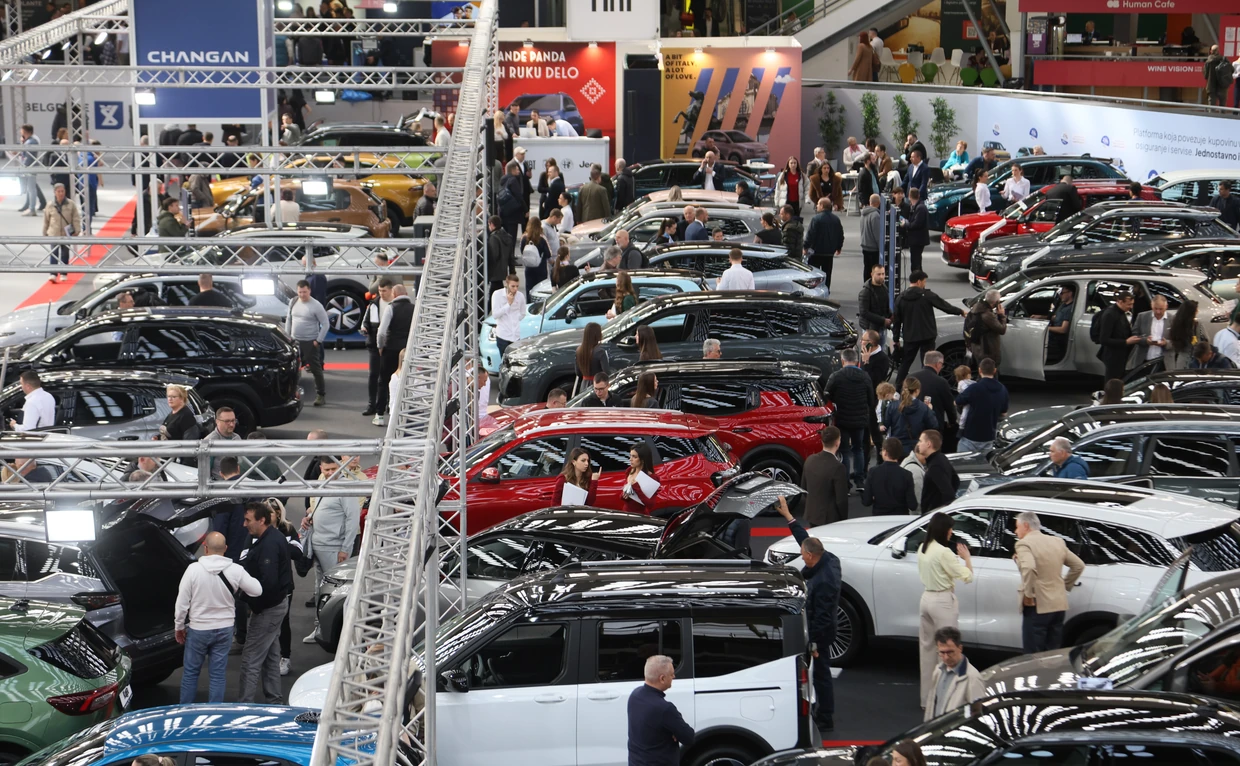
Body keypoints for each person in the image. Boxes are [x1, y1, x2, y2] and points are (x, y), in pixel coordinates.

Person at [774, 496, 840, 732]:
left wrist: (813, 643)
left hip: (820, 633)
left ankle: (826, 716)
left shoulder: (824, 582)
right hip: (820, 626)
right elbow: (805, 540)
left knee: (821, 674)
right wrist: (789, 517)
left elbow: (822, 617)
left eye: (803, 554)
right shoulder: (829, 559)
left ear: (810, 556)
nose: (801, 556)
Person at [175, 531, 262, 704]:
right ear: (226, 548)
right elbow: (257, 590)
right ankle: (214, 712)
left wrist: (179, 627)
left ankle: (185, 711)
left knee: (191, 673)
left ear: (205, 548)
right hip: (224, 629)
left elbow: (182, 603)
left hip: (198, 629)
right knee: (217, 675)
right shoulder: (236, 570)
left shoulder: (193, 570)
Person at [916, 511, 973, 708]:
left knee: (927, 651)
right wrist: (966, 558)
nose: (951, 533)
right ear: (944, 530)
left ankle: (927, 700)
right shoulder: (944, 552)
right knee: (949, 651)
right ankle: (947, 700)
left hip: (926, 599)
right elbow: (967, 576)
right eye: (950, 529)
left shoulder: (923, 548)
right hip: (942, 602)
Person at [238, 502, 293, 703]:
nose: (244, 524)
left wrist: (249, 600)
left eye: (248, 520)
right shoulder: (272, 538)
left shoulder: (269, 544)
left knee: (250, 658)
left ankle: (245, 704)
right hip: (276, 606)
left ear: (261, 520)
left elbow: (267, 583)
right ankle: (274, 700)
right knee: (270, 656)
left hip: (268, 609)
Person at [302, 458, 359, 642]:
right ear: (321, 468)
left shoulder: (345, 488)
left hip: (334, 547)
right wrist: (309, 517)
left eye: (333, 469)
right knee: (320, 591)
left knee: (336, 593)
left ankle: (341, 634)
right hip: (319, 545)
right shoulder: (323, 484)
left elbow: (352, 520)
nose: (329, 472)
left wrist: (345, 548)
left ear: (340, 467)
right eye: (326, 469)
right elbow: (319, 509)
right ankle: (320, 629)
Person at [1014, 511, 1086, 654]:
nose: (1016, 531)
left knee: (1033, 654)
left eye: (1017, 527)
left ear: (1026, 525)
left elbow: (1029, 568)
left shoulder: (1024, 544)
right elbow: (1078, 565)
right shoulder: (1057, 541)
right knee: (1052, 652)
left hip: (1038, 605)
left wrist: (1028, 594)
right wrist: (1064, 586)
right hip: (1058, 604)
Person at [627, 655, 696, 766]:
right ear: (662, 678)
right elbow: (688, 737)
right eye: (671, 674)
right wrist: (675, 732)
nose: (674, 676)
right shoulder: (665, 709)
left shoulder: (635, 695)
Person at [826, 350, 877, 490]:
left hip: (842, 419)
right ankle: (860, 480)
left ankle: (846, 483)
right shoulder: (865, 376)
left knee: (844, 451)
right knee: (858, 449)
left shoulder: (836, 376)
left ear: (842, 361)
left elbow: (827, 394)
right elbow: (871, 399)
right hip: (860, 420)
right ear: (857, 361)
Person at [924, 626, 985, 721]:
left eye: (950, 652)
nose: (946, 657)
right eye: (942, 652)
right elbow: (932, 703)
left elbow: (977, 714)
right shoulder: (938, 670)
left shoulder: (972, 677)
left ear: (960, 648)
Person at [285, 280, 329, 407]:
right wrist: (288, 337)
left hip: (310, 341)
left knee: (315, 369)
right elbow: (289, 319)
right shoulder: (293, 301)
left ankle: (321, 394)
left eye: (304, 292)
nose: (302, 295)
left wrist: (318, 340)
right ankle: (292, 393)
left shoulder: (316, 305)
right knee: (292, 368)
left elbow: (325, 324)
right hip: (295, 341)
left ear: (309, 290)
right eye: (300, 292)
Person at [375, 284, 413, 426]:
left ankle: (379, 414)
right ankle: (407, 413)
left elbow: (381, 332)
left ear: (394, 294)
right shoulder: (414, 308)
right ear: (406, 294)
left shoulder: (390, 308)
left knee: (383, 380)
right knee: (408, 380)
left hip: (391, 349)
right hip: (408, 349)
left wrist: (380, 346)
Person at [954, 359, 1008, 454]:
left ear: (979, 370)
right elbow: (1003, 414)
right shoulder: (1002, 389)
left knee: (962, 461)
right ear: (994, 371)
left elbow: (957, 402)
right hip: (989, 436)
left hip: (970, 436)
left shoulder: (974, 388)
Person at [798, 427, 849, 525]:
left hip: (812, 515)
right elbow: (841, 500)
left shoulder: (810, 460)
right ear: (837, 442)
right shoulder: (838, 467)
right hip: (831, 518)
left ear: (822, 441)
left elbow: (804, 487)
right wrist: (844, 519)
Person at [910, 351, 958, 442]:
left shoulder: (911, 377)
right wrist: (952, 422)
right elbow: (949, 406)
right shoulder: (941, 382)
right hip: (933, 427)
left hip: (912, 425)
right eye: (942, 365)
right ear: (938, 364)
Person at [862, 438, 917, 515]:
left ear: (885, 452)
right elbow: (913, 505)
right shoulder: (907, 475)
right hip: (901, 517)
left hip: (879, 517)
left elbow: (866, 501)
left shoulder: (873, 472)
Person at [1095, 291, 1139, 383]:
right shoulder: (1110, 314)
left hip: (1120, 356)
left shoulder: (1121, 313)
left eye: (1132, 304)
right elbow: (1104, 339)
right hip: (1112, 357)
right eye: (1129, 304)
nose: (1131, 307)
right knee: (1112, 382)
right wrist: (1126, 342)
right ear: (1120, 302)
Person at [42, 183, 81, 283]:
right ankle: (53, 274)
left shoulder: (71, 204)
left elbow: (75, 218)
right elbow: (46, 220)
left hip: (66, 233)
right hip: (54, 233)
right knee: (54, 253)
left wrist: (77, 230)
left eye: (62, 191)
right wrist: (44, 232)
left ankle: (63, 273)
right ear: (54, 192)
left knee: (65, 253)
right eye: (58, 191)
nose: (61, 193)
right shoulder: (50, 205)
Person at [888, 377, 937, 454]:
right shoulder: (924, 408)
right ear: (917, 391)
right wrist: (930, 410)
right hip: (916, 447)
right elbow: (933, 425)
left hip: (896, 447)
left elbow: (886, 424)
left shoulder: (893, 406)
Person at [804, 198, 845, 291]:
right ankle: (826, 290)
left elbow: (810, 234)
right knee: (827, 274)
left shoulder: (816, 219)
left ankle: (815, 291)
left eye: (818, 204)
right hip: (829, 253)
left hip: (816, 252)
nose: (817, 206)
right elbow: (840, 234)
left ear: (822, 206)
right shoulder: (836, 219)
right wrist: (839, 247)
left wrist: (806, 247)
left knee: (814, 274)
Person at [918, 430, 959, 513]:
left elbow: (948, 493)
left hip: (933, 514)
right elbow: (956, 480)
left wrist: (937, 509)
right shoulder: (941, 458)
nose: (918, 444)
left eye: (920, 441)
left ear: (928, 444)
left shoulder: (935, 465)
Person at [965, 288, 1008, 367]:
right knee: (990, 371)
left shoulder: (975, 309)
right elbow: (1002, 330)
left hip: (976, 347)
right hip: (987, 350)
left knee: (981, 370)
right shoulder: (987, 315)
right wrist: (1001, 315)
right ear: (995, 302)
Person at [1128, 294, 1169, 369]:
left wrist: (1166, 343)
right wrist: (1145, 340)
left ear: (1166, 306)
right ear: (1151, 305)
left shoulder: (1173, 319)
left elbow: (1177, 340)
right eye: (1155, 308)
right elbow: (1134, 334)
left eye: (1161, 309)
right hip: (1142, 361)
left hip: (1164, 362)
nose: (1158, 312)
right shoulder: (1142, 316)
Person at [1164, 299, 1206, 371]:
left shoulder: (1176, 324)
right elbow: (1204, 339)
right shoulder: (1197, 324)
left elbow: (1173, 343)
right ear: (1192, 312)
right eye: (1196, 310)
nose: (1198, 311)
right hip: (1195, 360)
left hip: (1181, 360)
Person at [491, 273, 526, 358]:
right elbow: (495, 315)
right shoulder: (497, 295)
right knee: (504, 360)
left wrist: (515, 320)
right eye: (513, 286)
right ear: (507, 285)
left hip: (515, 336)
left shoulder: (520, 296)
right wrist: (508, 304)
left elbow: (523, 313)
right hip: (503, 335)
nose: (515, 289)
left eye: (517, 286)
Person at [621, 443, 659, 514]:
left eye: (634, 457)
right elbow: (625, 494)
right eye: (630, 456)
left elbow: (650, 504)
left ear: (642, 460)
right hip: (626, 513)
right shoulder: (629, 470)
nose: (630, 459)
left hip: (640, 515)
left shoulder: (651, 477)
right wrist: (624, 495)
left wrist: (637, 488)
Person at [519, 218, 552, 299]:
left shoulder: (524, 238)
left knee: (529, 289)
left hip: (529, 268)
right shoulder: (542, 238)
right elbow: (548, 254)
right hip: (541, 268)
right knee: (541, 290)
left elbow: (522, 250)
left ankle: (529, 304)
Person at [858, 263, 892, 341]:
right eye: (878, 274)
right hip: (870, 330)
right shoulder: (865, 292)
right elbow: (864, 312)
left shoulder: (884, 288)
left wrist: (890, 315)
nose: (881, 276)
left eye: (883, 274)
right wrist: (883, 320)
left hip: (882, 328)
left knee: (881, 348)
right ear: (872, 274)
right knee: (869, 349)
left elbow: (884, 306)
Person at [901, 187, 931, 274]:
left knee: (916, 262)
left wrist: (906, 224)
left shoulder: (920, 208)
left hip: (918, 240)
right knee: (915, 261)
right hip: (916, 239)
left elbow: (916, 224)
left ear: (909, 196)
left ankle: (917, 278)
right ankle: (918, 278)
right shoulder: (917, 207)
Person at [486, 215, 515, 297]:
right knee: (498, 292)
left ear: (492, 224)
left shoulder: (493, 238)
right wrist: (512, 271)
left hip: (494, 272)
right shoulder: (508, 237)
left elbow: (494, 256)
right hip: (503, 271)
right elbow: (511, 257)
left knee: (494, 295)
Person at [1046, 284, 1076, 364]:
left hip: (1056, 340)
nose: (1060, 295)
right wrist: (1041, 317)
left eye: (1062, 293)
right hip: (1052, 335)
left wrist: (1046, 328)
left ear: (1070, 293)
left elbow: (1063, 329)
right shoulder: (1063, 305)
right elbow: (1054, 318)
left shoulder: (1070, 309)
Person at [857, 195, 883, 284]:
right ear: (879, 203)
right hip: (873, 248)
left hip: (865, 245)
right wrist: (881, 248)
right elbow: (877, 234)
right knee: (874, 271)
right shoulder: (875, 215)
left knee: (867, 269)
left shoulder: (863, 213)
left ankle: (866, 286)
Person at [575, 322, 609, 386]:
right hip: (598, 385)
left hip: (584, 384)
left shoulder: (579, 350)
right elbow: (606, 372)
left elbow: (578, 372)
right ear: (597, 335)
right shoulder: (600, 351)